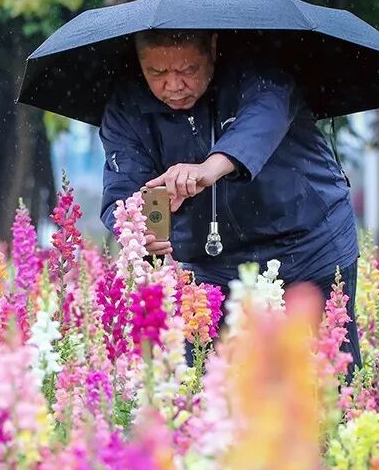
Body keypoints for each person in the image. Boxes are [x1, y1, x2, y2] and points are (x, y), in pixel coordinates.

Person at [99, 29, 362, 376]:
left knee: (324, 379)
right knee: (207, 385)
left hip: (307, 243)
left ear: (212, 46)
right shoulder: (126, 105)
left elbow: (262, 119)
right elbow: (124, 192)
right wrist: (142, 231)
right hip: (210, 262)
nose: (174, 85)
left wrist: (210, 168)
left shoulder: (257, 70)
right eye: (157, 73)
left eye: (188, 70)